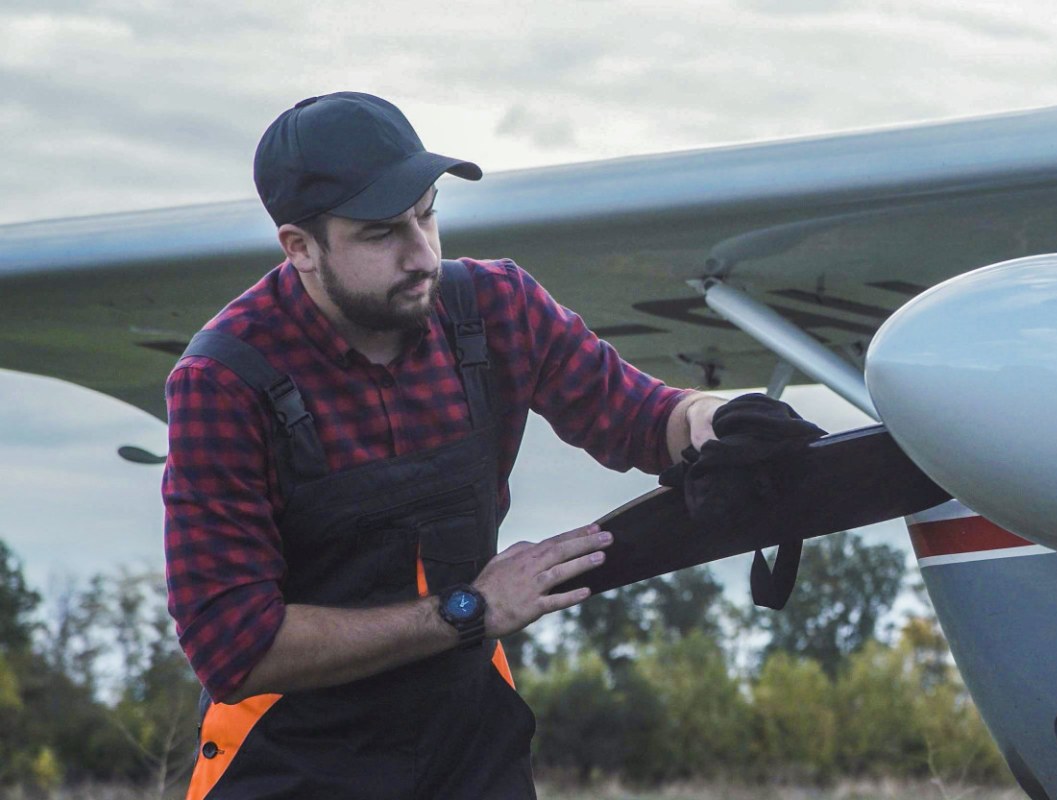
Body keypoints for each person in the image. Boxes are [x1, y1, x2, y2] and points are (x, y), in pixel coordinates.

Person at [162, 91, 725, 798]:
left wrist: (712, 418)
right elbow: (234, 645)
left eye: (427, 213)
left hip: (470, 749)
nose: (422, 254)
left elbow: (645, 417)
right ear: (299, 247)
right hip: (291, 759)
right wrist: (471, 611)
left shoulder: (495, 308)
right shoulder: (223, 380)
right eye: (381, 234)